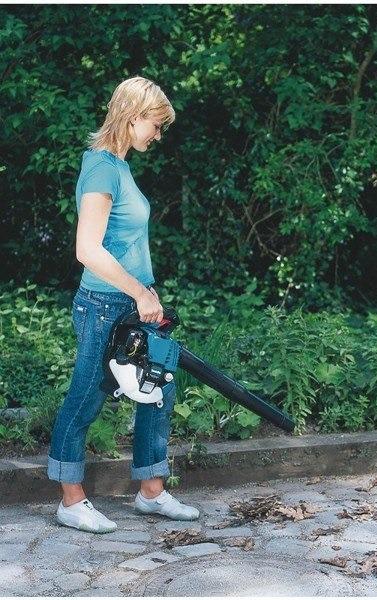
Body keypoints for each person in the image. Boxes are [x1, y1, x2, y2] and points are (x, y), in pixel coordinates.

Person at [47, 76, 199, 533]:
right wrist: (138, 290)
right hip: (104, 305)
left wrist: (145, 292)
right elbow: (87, 249)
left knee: (159, 387)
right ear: (133, 116)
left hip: (134, 303)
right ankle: (71, 500)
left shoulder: (119, 165)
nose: (159, 134)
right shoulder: (101, 168)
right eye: (156, 124)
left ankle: (151, 491)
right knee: (87, 396)